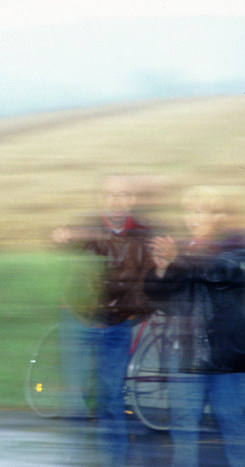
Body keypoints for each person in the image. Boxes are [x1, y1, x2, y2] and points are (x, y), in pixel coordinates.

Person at [52, 174, 155, 466]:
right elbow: (67, 239)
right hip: (79, 320)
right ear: (101, 199)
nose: (116, 201)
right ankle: (72, 458)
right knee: (75, 397)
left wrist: (140, 310)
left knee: (111, 399)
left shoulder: (144, 235)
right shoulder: (89, 228)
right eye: (110, 194)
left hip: (116, 327)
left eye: (123, 195)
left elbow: (153, 279)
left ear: (131, 200)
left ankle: (115, 461)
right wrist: (60, 236)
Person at [144, 185, 245, 467]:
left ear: (218, 216)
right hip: (186, 353)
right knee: (183, 425)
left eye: (199, 211)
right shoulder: (183, 249)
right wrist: (162, 270)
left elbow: (220, 274)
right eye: (189, 211)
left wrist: (178, 260)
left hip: (227, 357)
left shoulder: (236, 246)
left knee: (233, 424)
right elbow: (161, 299)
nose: (192, 218)